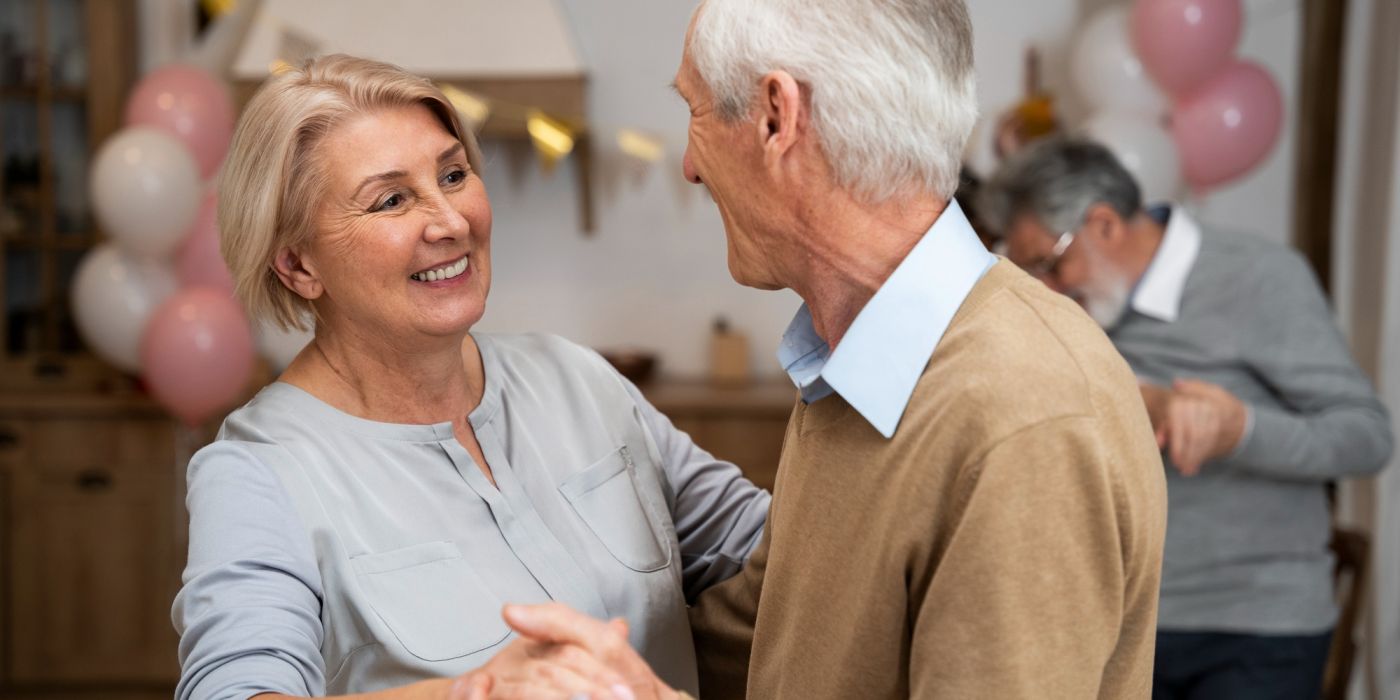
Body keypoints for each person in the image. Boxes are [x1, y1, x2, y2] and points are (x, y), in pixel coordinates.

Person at [494, 1, 1169, 698]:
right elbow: (778, 639)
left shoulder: (1024, 417)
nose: (690, 167)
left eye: (694, 112)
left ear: (776, 118)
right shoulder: (854, 367)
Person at [172, 54, 770, 700]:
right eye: (391, 199)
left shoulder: (576, 377)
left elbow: (772, 551)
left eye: (453, 175)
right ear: (297, 265)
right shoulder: (257, 474)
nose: (451, 221)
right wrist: (477, 691)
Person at [982, 136, 1394, 700]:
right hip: (1117, 621)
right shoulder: (1071, 310)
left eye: (1050, 265)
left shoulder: (1260, 277)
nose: (1046, 291)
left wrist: (1239, 430)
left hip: (1253, 625)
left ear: (1104, 224)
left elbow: (1366, 436)